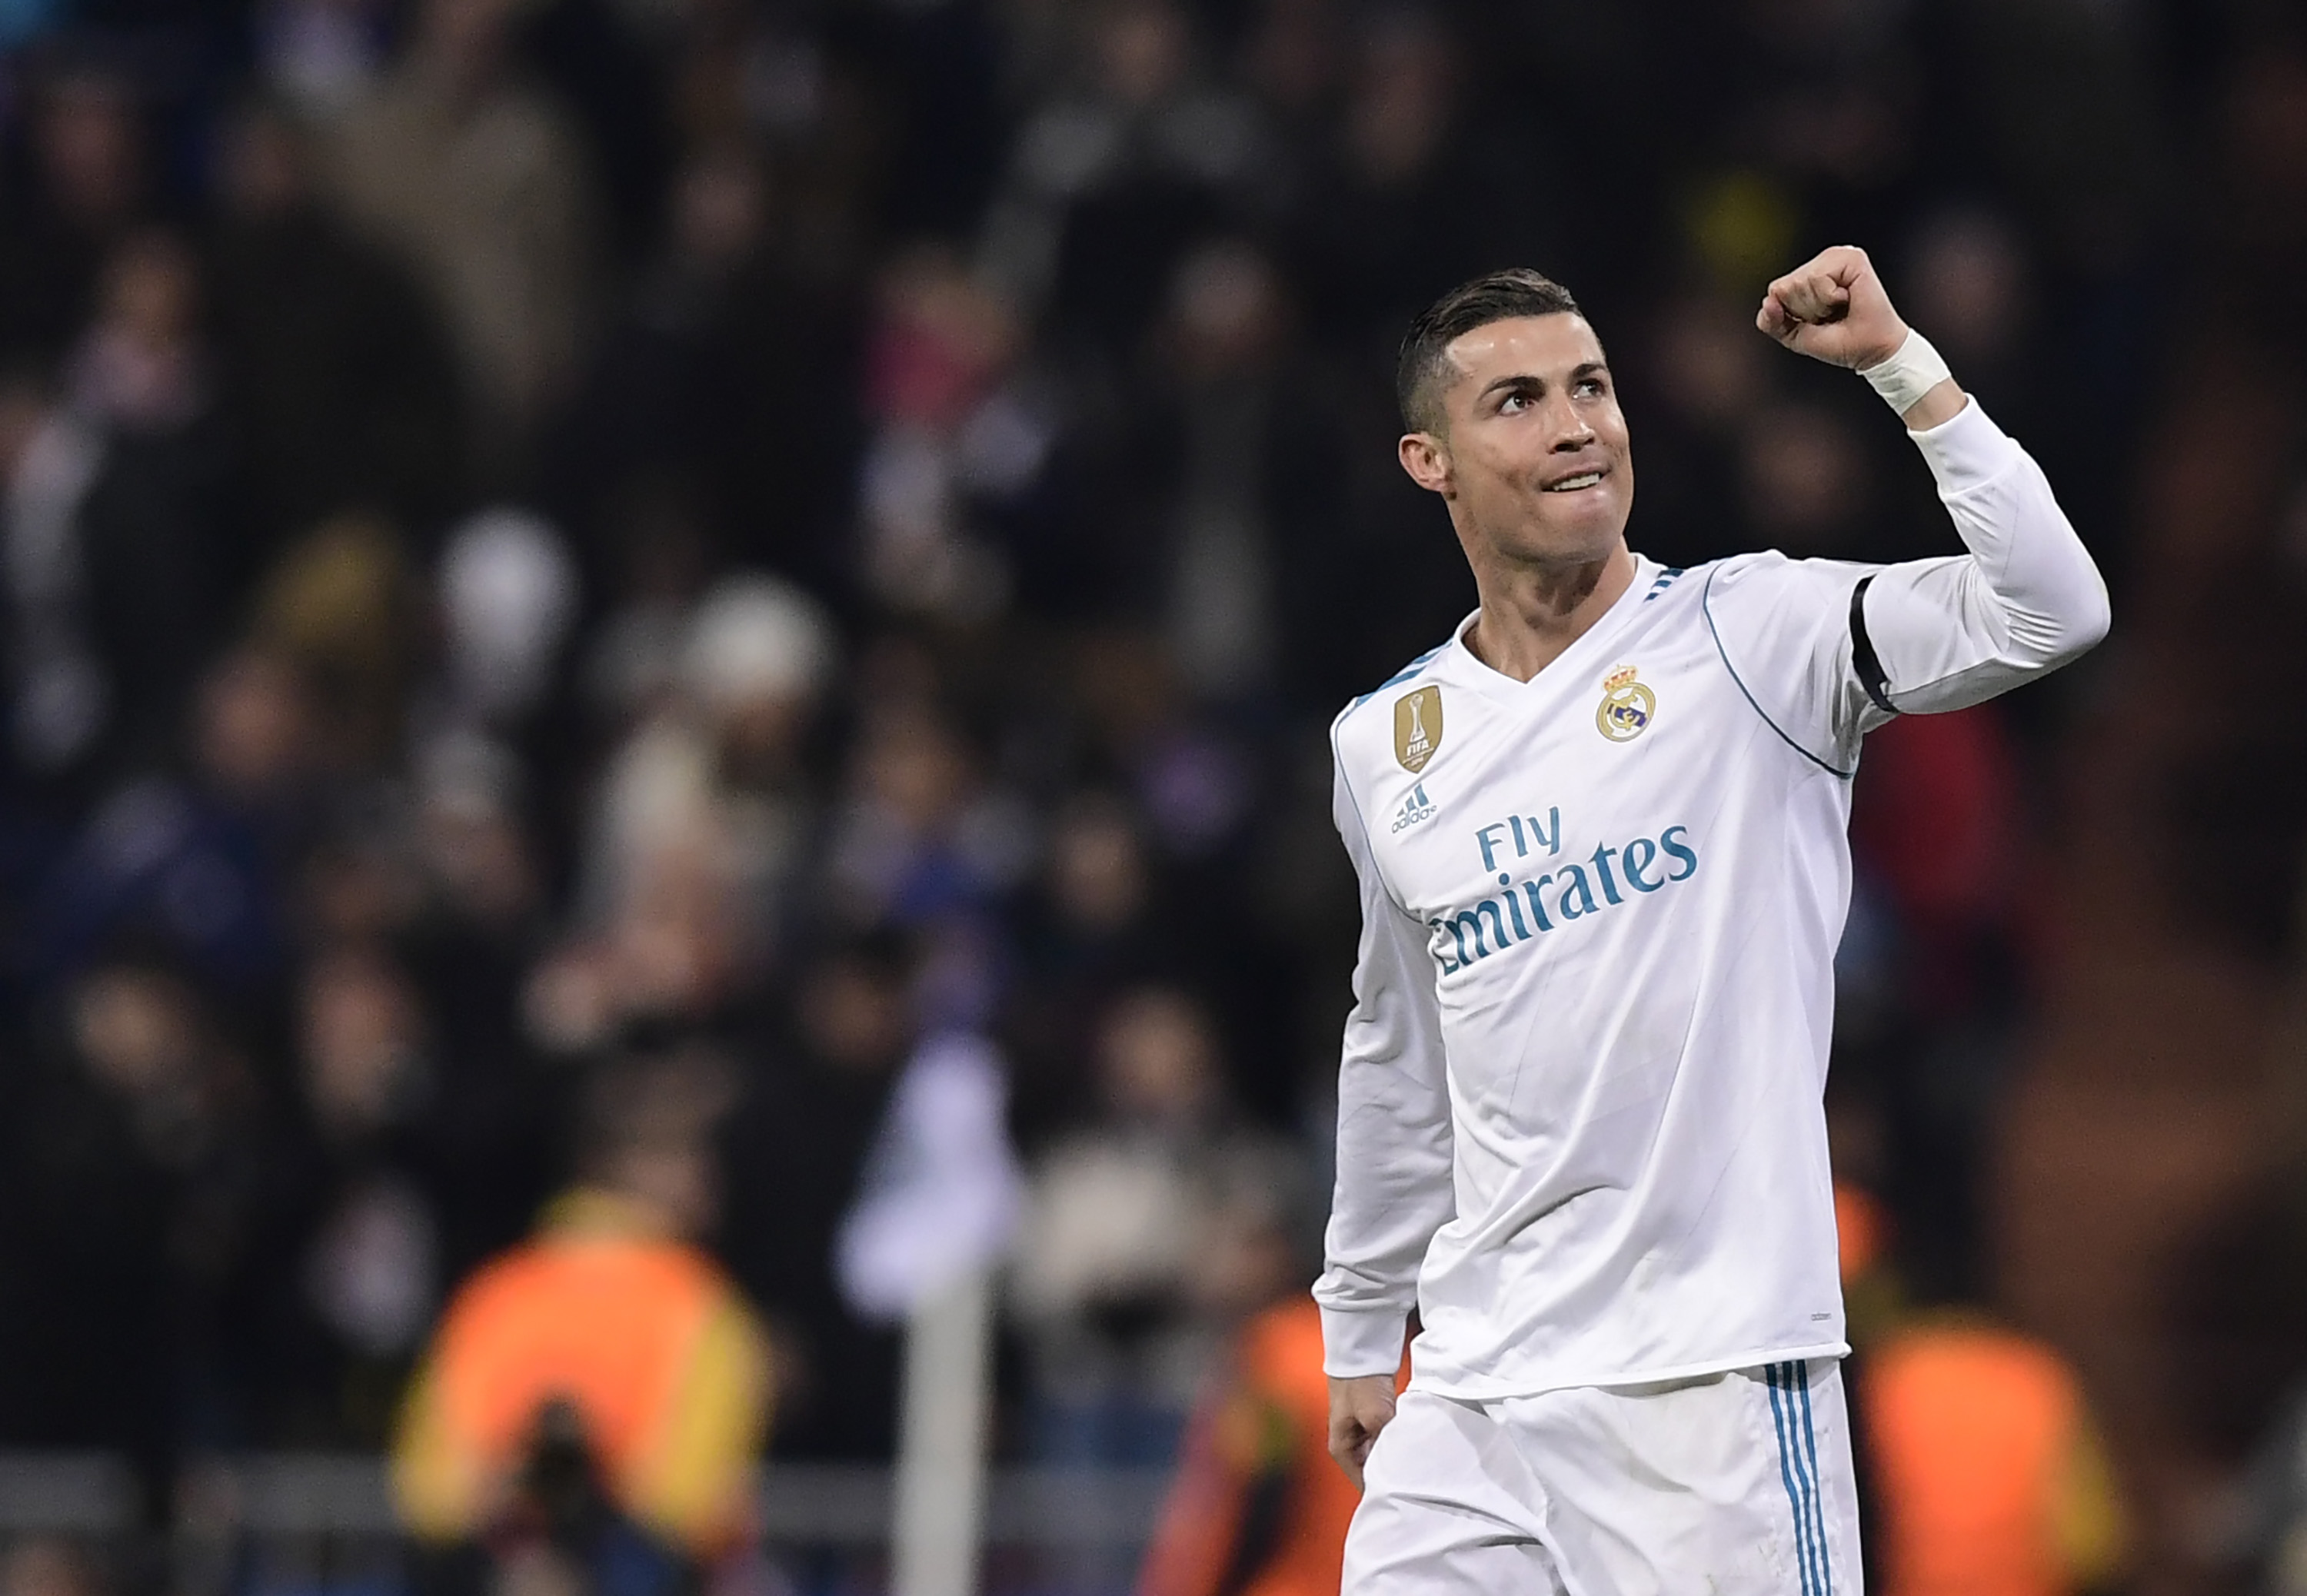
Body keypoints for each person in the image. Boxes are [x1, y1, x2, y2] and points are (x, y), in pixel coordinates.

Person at [1315, 247, 2111, 1591]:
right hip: (1478, 1391)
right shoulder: (1386, 744)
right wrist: (1356, 1322)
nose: (1575, 426)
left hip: (1714, 1384)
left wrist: (1903, 369)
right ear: (1428, 462)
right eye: (1516, 401)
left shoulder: (1757, 634)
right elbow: (1401, 1056)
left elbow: (2055, 606)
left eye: (1592, 388)